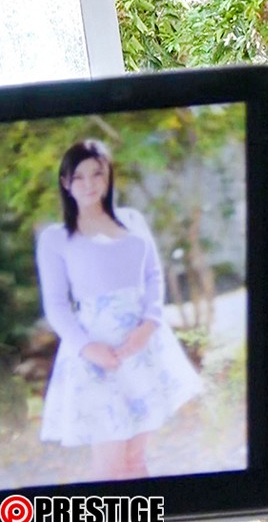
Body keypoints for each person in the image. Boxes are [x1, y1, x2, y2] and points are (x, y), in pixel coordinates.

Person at [35, 139, 203, 481]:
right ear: (66, 183)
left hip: (143, 348)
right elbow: (56, 305)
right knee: (111, 467)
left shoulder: (132, 220)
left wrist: (148, 325)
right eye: (78, 177)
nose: (89, 184)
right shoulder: (56, 238)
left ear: (108, 175)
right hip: (95, 354)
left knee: (135, 460)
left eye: (97, 173)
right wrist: (87, 348)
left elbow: (153, 275)